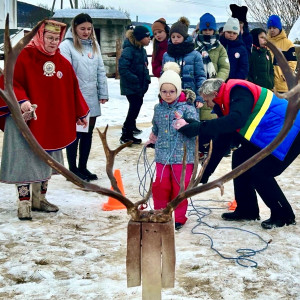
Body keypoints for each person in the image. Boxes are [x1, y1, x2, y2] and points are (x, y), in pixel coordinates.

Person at [174, 78, 300, 229]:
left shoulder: (239, 91)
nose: (207, 105)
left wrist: (199, 127)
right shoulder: (226, 103)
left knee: (261, 173)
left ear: (215, 94)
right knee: (240, 158)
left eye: (207, 101)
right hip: (271, 134)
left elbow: (236, 121)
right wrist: (206, 173)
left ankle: (284, 216)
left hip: (291, 132)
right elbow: (222, 142)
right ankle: (247, 210)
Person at [0, 20, 89, 220]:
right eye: (49, 38)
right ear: (40, 36)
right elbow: (10, 82)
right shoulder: (23, 57)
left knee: (45, 160)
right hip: (23, 120)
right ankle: (24, 203)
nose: (53, 43)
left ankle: (39, 199)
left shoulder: (62, 63)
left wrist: (80, 112)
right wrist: (22, 101)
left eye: (56, 39)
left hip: (50, 122)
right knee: (24, 161)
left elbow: (72, 89)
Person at [145, 62, 198, 230]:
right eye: (164, 91)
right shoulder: (158, 108)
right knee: (160, 185)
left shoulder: (187, 108)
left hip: (183, 157)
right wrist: (153, 137)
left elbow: (197, 128)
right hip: (162, 154)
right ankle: (161, 213)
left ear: (178, 90)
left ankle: (179, 218)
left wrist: (186, 124)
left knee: (179, 187)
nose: (168, 95)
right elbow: (156, 126)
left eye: (172, 91)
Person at [59, 13, 109, 181]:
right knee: (76, 134)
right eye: (82, 29)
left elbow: (100, 70)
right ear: (74, 28)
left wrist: (103, 93)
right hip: (75, 98)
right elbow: (66, 74)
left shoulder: (94, 45)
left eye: (89, 28)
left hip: (91, 97)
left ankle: (83, 167)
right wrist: (70, 97)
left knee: (88, 134)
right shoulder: (66, 46)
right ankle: (72, 170)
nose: (86, 32)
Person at [162, 16, 206, 107]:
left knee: (190, 120)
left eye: (178, 36)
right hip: (171, 98)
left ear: (184, 37)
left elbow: (200, 77)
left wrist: (200, 97)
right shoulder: (167, 55)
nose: (175, 39)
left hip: (190, 98)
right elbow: (163, 77)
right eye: (173, 37)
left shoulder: (195, 55)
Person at [118, 25, 151, 144]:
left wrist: (146, 80)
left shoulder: (141, 49)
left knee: (136, 105)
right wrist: (135, 79)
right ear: (139, 37)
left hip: (139, 86)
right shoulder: (129, 50)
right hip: (131, 86)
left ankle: (131, 128)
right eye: (147, 37)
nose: (149, 39)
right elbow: (123, 68)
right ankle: (126, 133)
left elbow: (144, 66)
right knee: (134, 106)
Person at [194, 12, 230, 121]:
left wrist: (216, 82)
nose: (208, 32)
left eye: (210, 30)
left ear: (214, 30)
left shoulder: (220, 48)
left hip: (213, 89)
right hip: (197, 86)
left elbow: (224, 67)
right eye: (205, 30)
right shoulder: (194, 46)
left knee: (213, 119)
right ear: (201, 30)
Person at [267, 15, 297, 93]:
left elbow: (292, 62)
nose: (272, 30)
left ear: (279, 28)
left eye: (274, 27)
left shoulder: (288, 44)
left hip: (282, 86)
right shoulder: (266, 43)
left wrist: (286, 74)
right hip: (268, 85)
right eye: (270, 28)